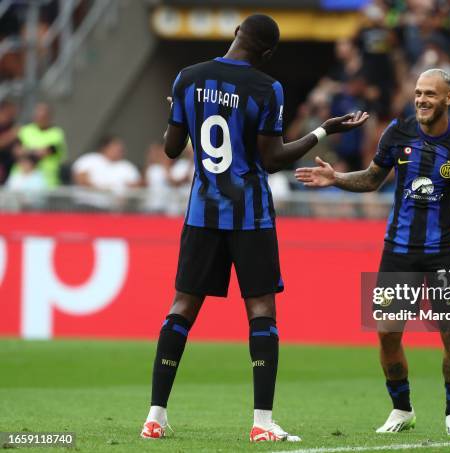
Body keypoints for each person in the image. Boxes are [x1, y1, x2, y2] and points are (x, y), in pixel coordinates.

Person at [141, 14, 368, 442]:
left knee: (182, 307)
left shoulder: (187, 78)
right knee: (261, 309)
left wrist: (180, 114)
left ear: (234, 35)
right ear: (266, 53)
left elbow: (171, 150)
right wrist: (322, 131)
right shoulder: (267, 88)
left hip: (202, 214)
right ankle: (262, 424)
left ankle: (154, 417)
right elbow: (271, 159)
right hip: (250, 216)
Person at [296, 69, 450, 436]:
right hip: (398, 250)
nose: (422, 99)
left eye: (430, 93)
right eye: (418, 93)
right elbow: (373, 178)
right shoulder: (397, 133)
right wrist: (337, 180)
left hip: (447, 252)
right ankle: (401, 409)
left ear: (448, 99)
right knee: (387, 332)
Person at [17, 103, 67, 188]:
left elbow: (45, 152)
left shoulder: (56, 133)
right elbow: (17, 151)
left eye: (43, 116)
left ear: (49, 117)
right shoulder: (25, 130)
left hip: (47, 182)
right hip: (22, 179)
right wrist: (35, 151)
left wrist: (27, 151)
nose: (40, 119)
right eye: (38, 116)